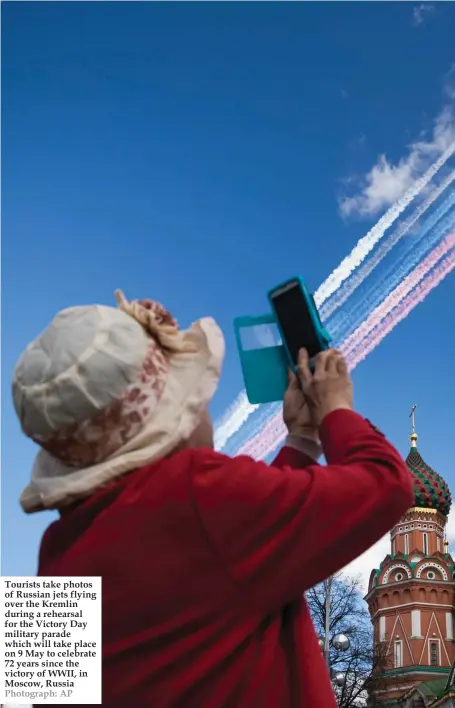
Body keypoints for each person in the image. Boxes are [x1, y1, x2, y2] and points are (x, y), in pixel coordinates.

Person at [12, 291, 414, 708]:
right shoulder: (196, 494)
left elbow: (231, 556)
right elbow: (387, 483)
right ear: (173, 425)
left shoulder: (54, 556)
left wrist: (301, 440)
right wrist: (336, 409)